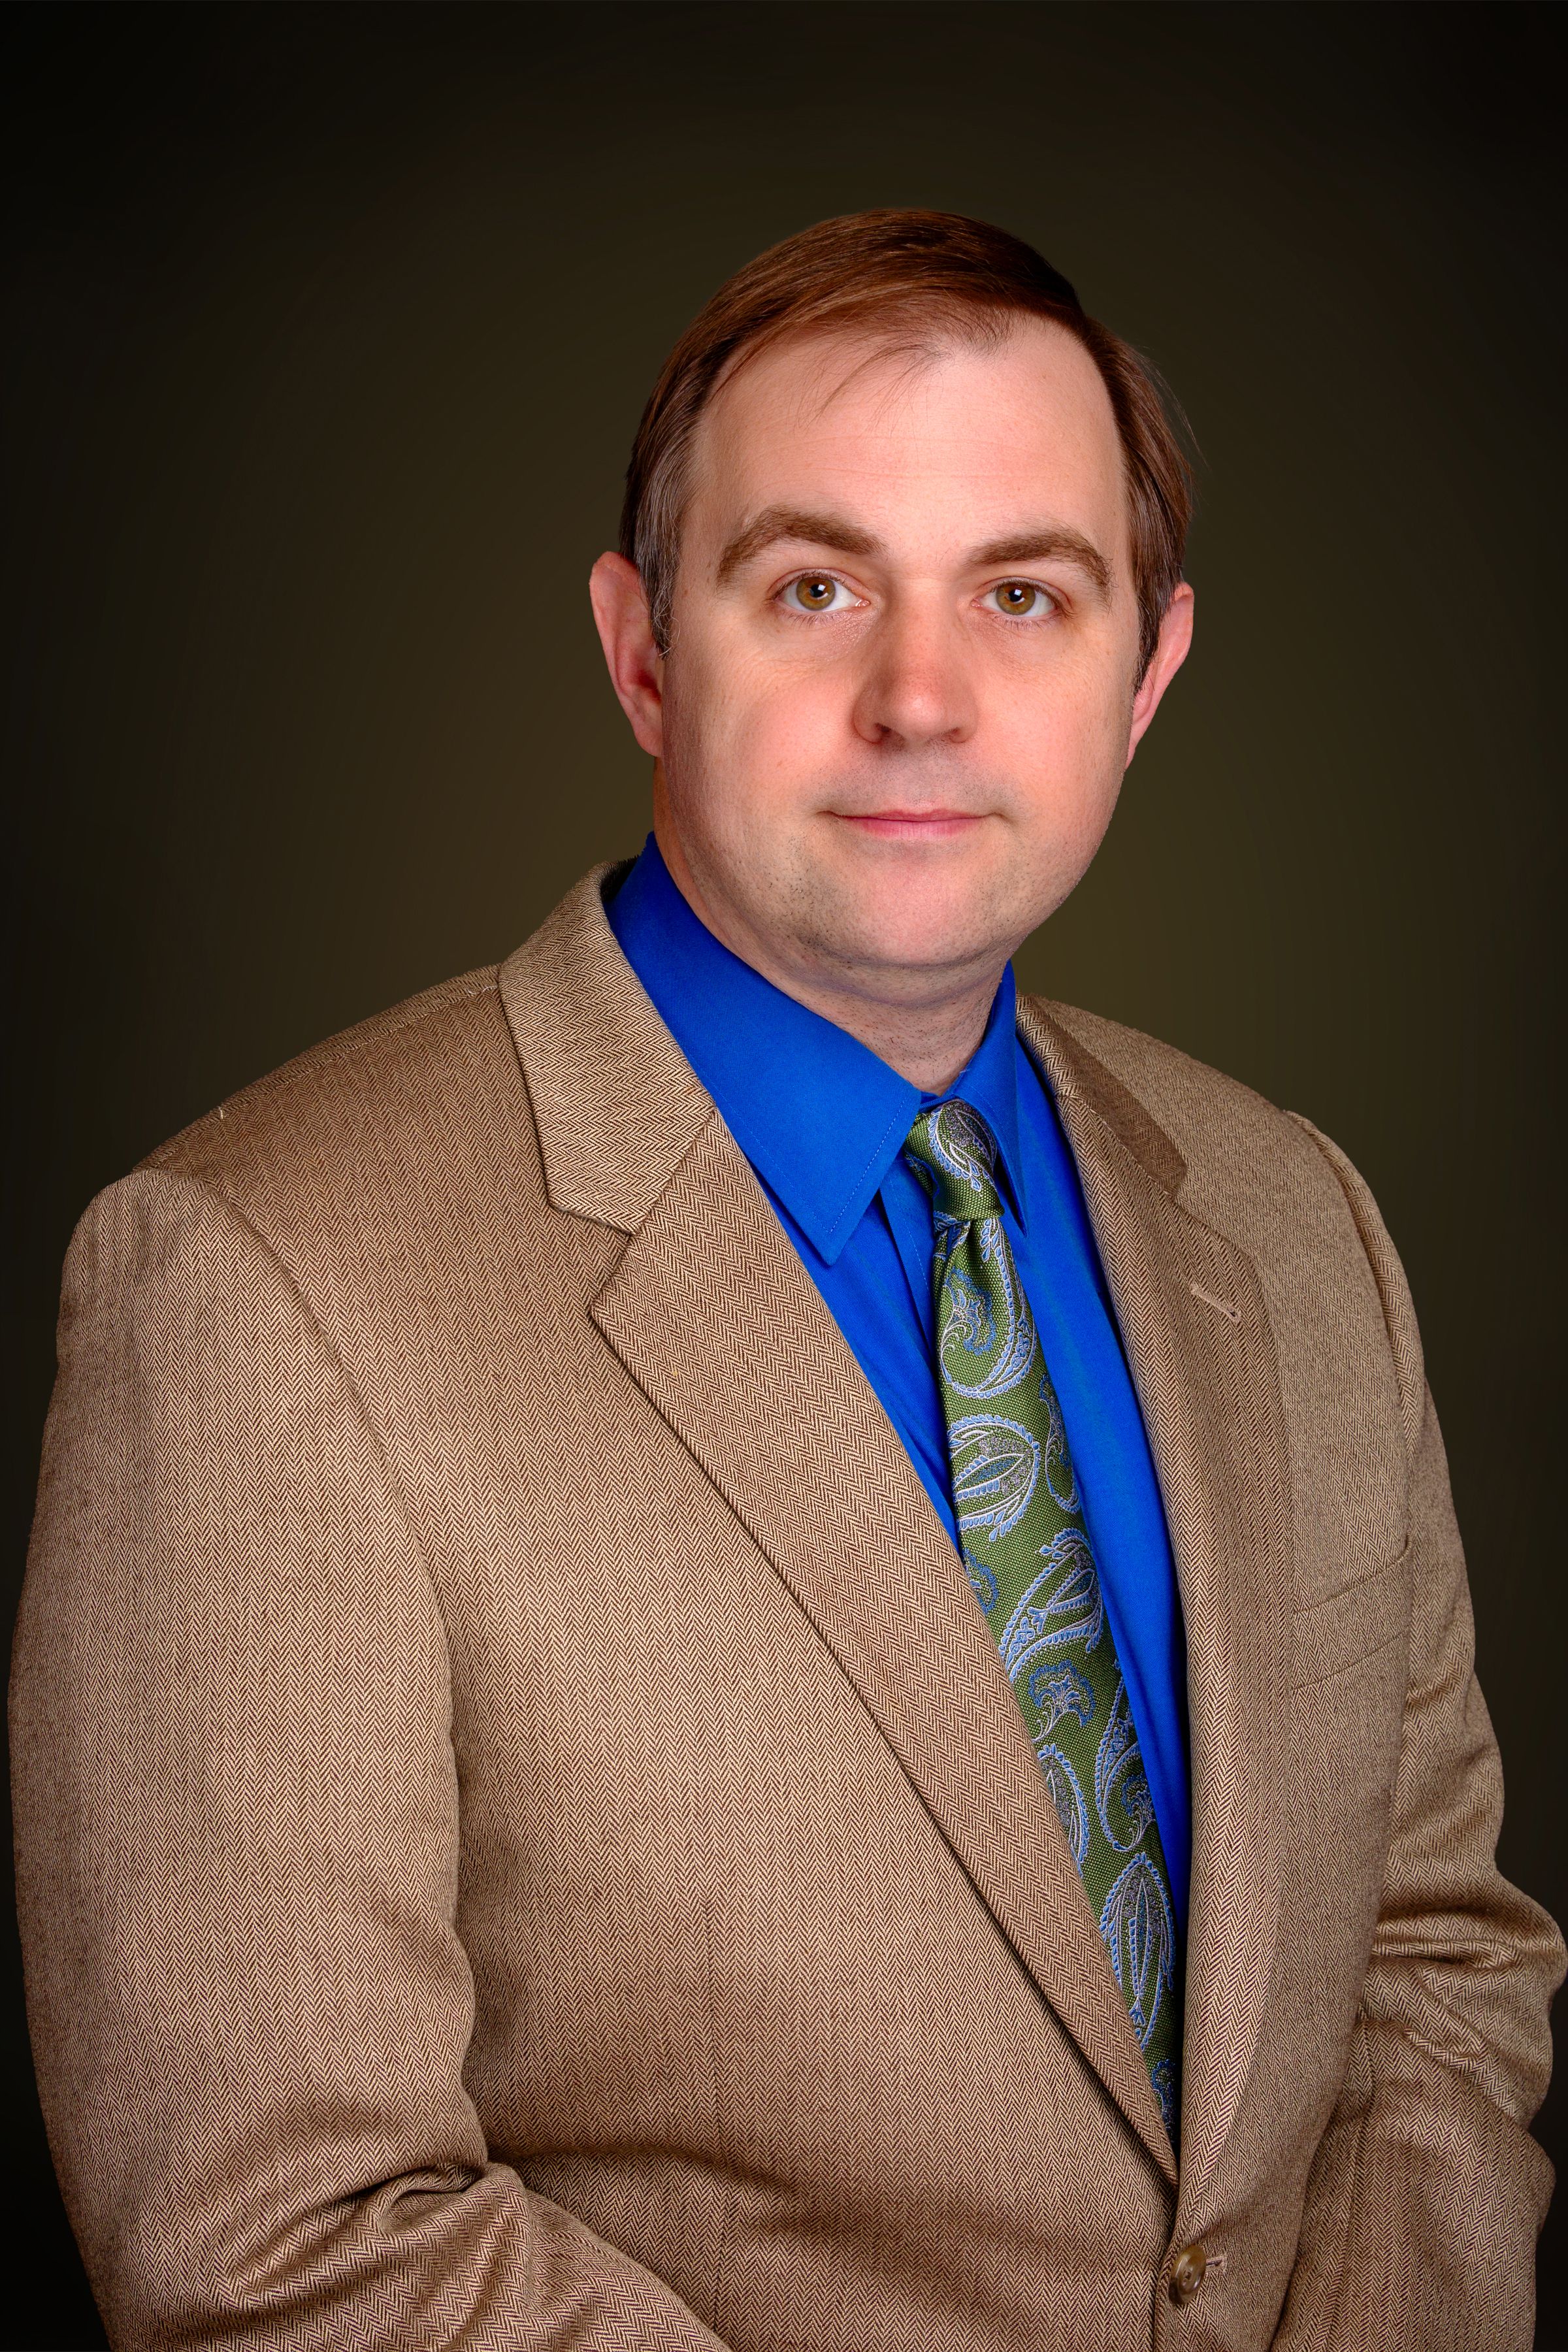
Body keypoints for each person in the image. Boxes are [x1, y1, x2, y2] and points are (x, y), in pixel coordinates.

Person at [10, 209, 1561, 2352]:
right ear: (646, 649)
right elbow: (285, 2236)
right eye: (814, 585)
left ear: (1151, 668)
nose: (920, 697)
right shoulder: (257, 1284)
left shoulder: (1295, 1220)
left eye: (1024, 594)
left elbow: (1430, 1960)